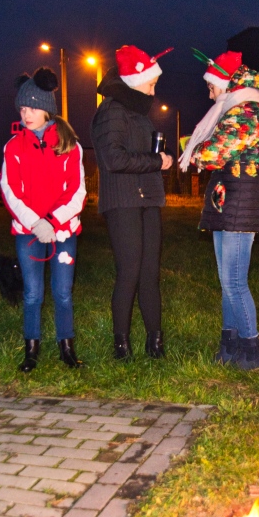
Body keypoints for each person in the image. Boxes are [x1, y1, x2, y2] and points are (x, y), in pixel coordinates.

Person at [180, 51, 259, 369]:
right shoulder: (235, 109)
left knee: (234, 281)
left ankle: (251, 351)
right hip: (228, 200)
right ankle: (230, 347)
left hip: (240, 202)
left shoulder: (246, 111)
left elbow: (215, 152)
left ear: (224, 84)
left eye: (210, 87)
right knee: (227, 281)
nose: (209, 94)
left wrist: (194, 149)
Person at [0, 68, 86, 372]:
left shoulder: (69, 145)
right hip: (28, 232)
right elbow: (9, 190)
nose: (27, 113)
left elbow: (77, 192)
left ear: (47, 109)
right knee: (33, 293)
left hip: (62, 232)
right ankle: (32, 349)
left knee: (62, 292)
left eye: (33, 107)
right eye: (23, 108)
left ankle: (67, 347)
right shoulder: (13, 146)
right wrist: (35, 222)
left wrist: (52, 221)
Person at [91, 45, 174, 360]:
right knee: (130, 271)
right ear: (133, 80)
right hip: (123, 201)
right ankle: (121, 345)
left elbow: (139, 156)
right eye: (150, 83)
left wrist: (158, 159)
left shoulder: (139, 113)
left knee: (150, 272)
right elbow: (113, 158)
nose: (154, 90)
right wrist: (155, 162)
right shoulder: (111, 110)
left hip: (149, 198)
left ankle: (155, 342)